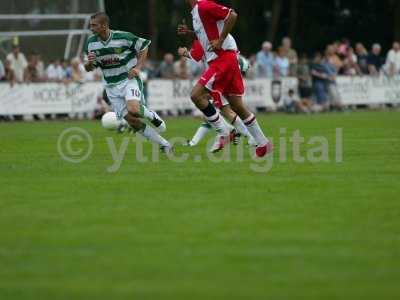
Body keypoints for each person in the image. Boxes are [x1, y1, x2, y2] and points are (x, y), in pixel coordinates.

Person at [178, 0, 272, 157]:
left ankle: (225, 132)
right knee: (237, 106)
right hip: (226, 59)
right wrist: (190, 33)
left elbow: (232, 15)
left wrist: (221, 40)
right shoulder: (195, 12)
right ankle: (263, 144)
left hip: (222, 59)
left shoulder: (203, 5)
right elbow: (208, 34)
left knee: (196, 95)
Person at [84, 12, 171, 152]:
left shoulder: (123, 37)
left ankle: (151, 115)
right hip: (111, 86)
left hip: (128, 79)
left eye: (94, 25)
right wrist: (89, 63)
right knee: (133, 121)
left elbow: (144, 46)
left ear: (104, 25)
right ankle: (164, 144)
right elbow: (89, 68)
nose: (91, 28)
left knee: (134, 109)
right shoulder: (90, 43)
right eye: (91, 25)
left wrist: (137, 68)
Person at [178, 39, 256, 147]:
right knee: (213, 111)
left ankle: (245, 135)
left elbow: (197, 55)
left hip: (219, 75)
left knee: (217, 109)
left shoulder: (203, 35)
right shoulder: (216, 35)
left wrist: (185, 53)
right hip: (221, 73)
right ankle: (235, 133)